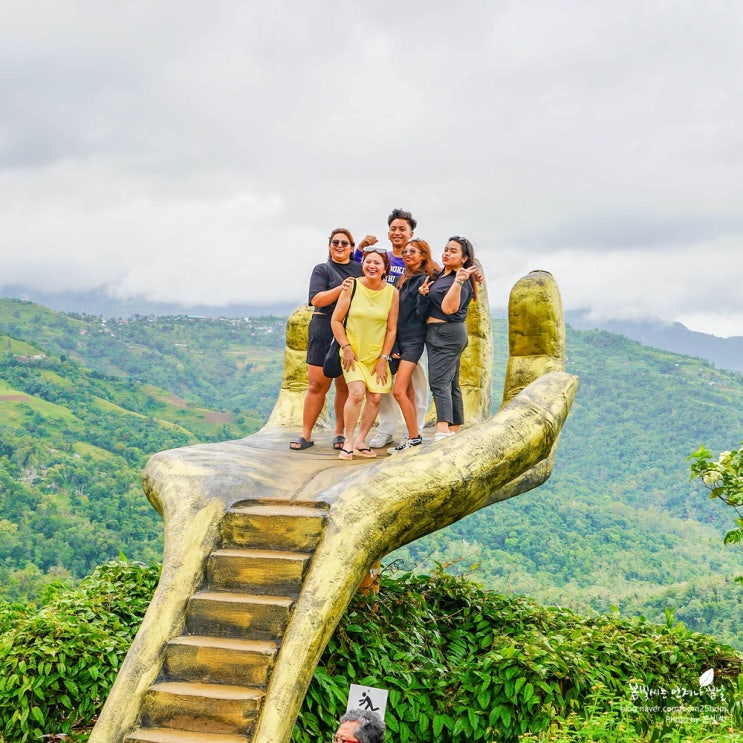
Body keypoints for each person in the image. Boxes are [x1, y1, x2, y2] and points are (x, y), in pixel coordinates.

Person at [355, 208, 429, 448]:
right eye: (393, 229)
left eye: (402, 229)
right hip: (382, 329)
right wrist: (360, 247)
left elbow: (441, 274)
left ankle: (413, 430)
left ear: (411, 233)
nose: (397, 233)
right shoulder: (383, 258)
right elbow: (359, 266)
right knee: (384, 381)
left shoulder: (416, 260)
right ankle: (386, 428)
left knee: (415, 385)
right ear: (388, 233)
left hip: (411, 332)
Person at [290, 228, 363, 451]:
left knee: (344, 385)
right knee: (317, 385)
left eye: (344, 243)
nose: (339, 246)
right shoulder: (322, 269)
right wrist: (342, 288)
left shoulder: (360, 269)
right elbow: (316, 299)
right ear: (330, 246)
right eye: (335, 242)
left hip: (350, 329)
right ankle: (305, 434)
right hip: (323, 329)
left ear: (352, 248)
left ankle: (339, 433)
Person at [331, 248, 399, 460]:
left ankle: (360, 441)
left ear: (385, 268)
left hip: (377, 355)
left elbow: (391, 329)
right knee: (357, 393)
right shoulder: (352, 286)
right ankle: (348, 442)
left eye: (377, 263)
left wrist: (384, 358)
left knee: (376, 397)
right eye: (368, 261)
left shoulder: (392, 293)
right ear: (363, 264)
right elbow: (336, 320)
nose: (372, 266)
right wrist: (346, 347)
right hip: (353, 353)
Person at [418, 236, 478, 441]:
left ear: (464, 258)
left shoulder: (461, 281)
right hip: (437, 332)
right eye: (446, 249)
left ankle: (442, 429)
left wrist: (459, 281)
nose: (447, 254)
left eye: (453, 251)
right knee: (451, 382)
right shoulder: (441, 276)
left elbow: (448, 308)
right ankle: (455, 428)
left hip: (447, 334)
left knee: (439, 381)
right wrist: (424, 294)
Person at [387, 239, 436, 453]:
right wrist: (393, 344)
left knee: (398, 390)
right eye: (405, 251)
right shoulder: (401, 279)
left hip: (414, 340)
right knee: (407, 390)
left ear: (423, 255)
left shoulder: (426, 279)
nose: (407, 254)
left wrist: (424, 296)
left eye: (413, 251)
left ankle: (414, 437)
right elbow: (395, 314)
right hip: (398, 340)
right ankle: (411, 434)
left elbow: (421, 314)